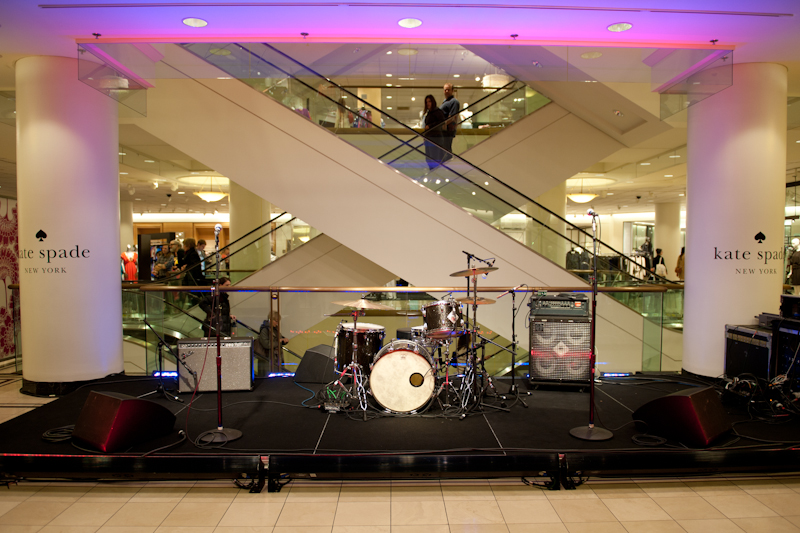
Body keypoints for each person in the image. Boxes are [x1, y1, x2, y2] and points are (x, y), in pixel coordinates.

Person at [422, 94, 446, 170]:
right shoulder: (428, 114)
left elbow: (442, 122)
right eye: (426, 102)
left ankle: (435, 174)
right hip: (429, 139)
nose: (428, 103)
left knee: (434, 158)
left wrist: (430, 126)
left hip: (436, 139)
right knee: (428, 158)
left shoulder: (437, 112)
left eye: (429, 101)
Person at [438, 82, 460, 161]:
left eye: (448, 90)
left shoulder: (454, 102)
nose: (446, 91)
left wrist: (443, 124)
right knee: (442, 150)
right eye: (445, 90)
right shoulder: (445, 102)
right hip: (443, 131)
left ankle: (447, 167)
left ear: (452, 90)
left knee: (446, 151)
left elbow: (453, 117)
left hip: (447, 131)